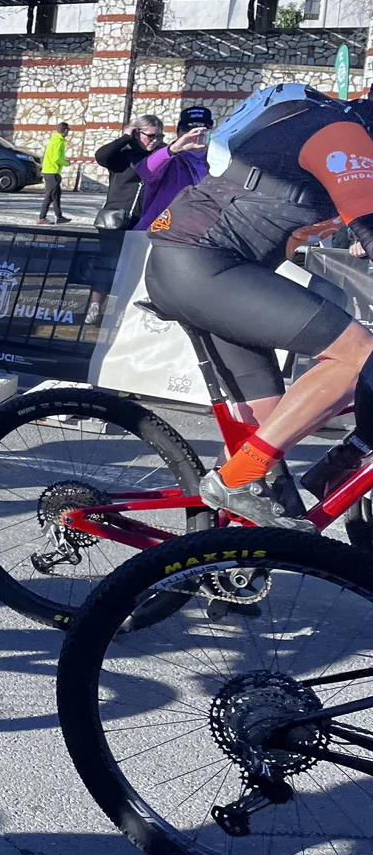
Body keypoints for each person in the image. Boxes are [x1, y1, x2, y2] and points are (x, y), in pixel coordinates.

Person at [145, 84, 373, 528]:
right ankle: (234, 480)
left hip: (209, 269)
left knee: (270, 452)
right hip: (202, 266)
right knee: (357, 354)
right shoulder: (343, 135)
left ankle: (226, 579)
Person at [130, 107, 210, 231]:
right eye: (187, 129)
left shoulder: (219, 161)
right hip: (159, 233)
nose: (193, 134)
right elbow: (144, 170)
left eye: (202, 129)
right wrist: (173, 149)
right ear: (178, 132)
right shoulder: (167, 157)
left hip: (199, 234)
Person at [95, 115, 164, 230]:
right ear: (136, 133)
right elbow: (101, 156)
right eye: (151, 136)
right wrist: (126, 137)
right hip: (115, 218)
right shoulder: (123, 152)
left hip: (145, 220)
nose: (155, 141)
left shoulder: (159, 154)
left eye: (159, 136)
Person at [38, 122, 71, 224]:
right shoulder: (59, 142)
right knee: (50, 195)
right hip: (52, 172)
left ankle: (59, 216)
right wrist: (66, 163)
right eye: (68, 131)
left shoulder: (55, 140)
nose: (68, 133)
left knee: (56, 195)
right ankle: (42, 218)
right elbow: (56, 158)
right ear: (65, 131)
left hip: (50, 171)